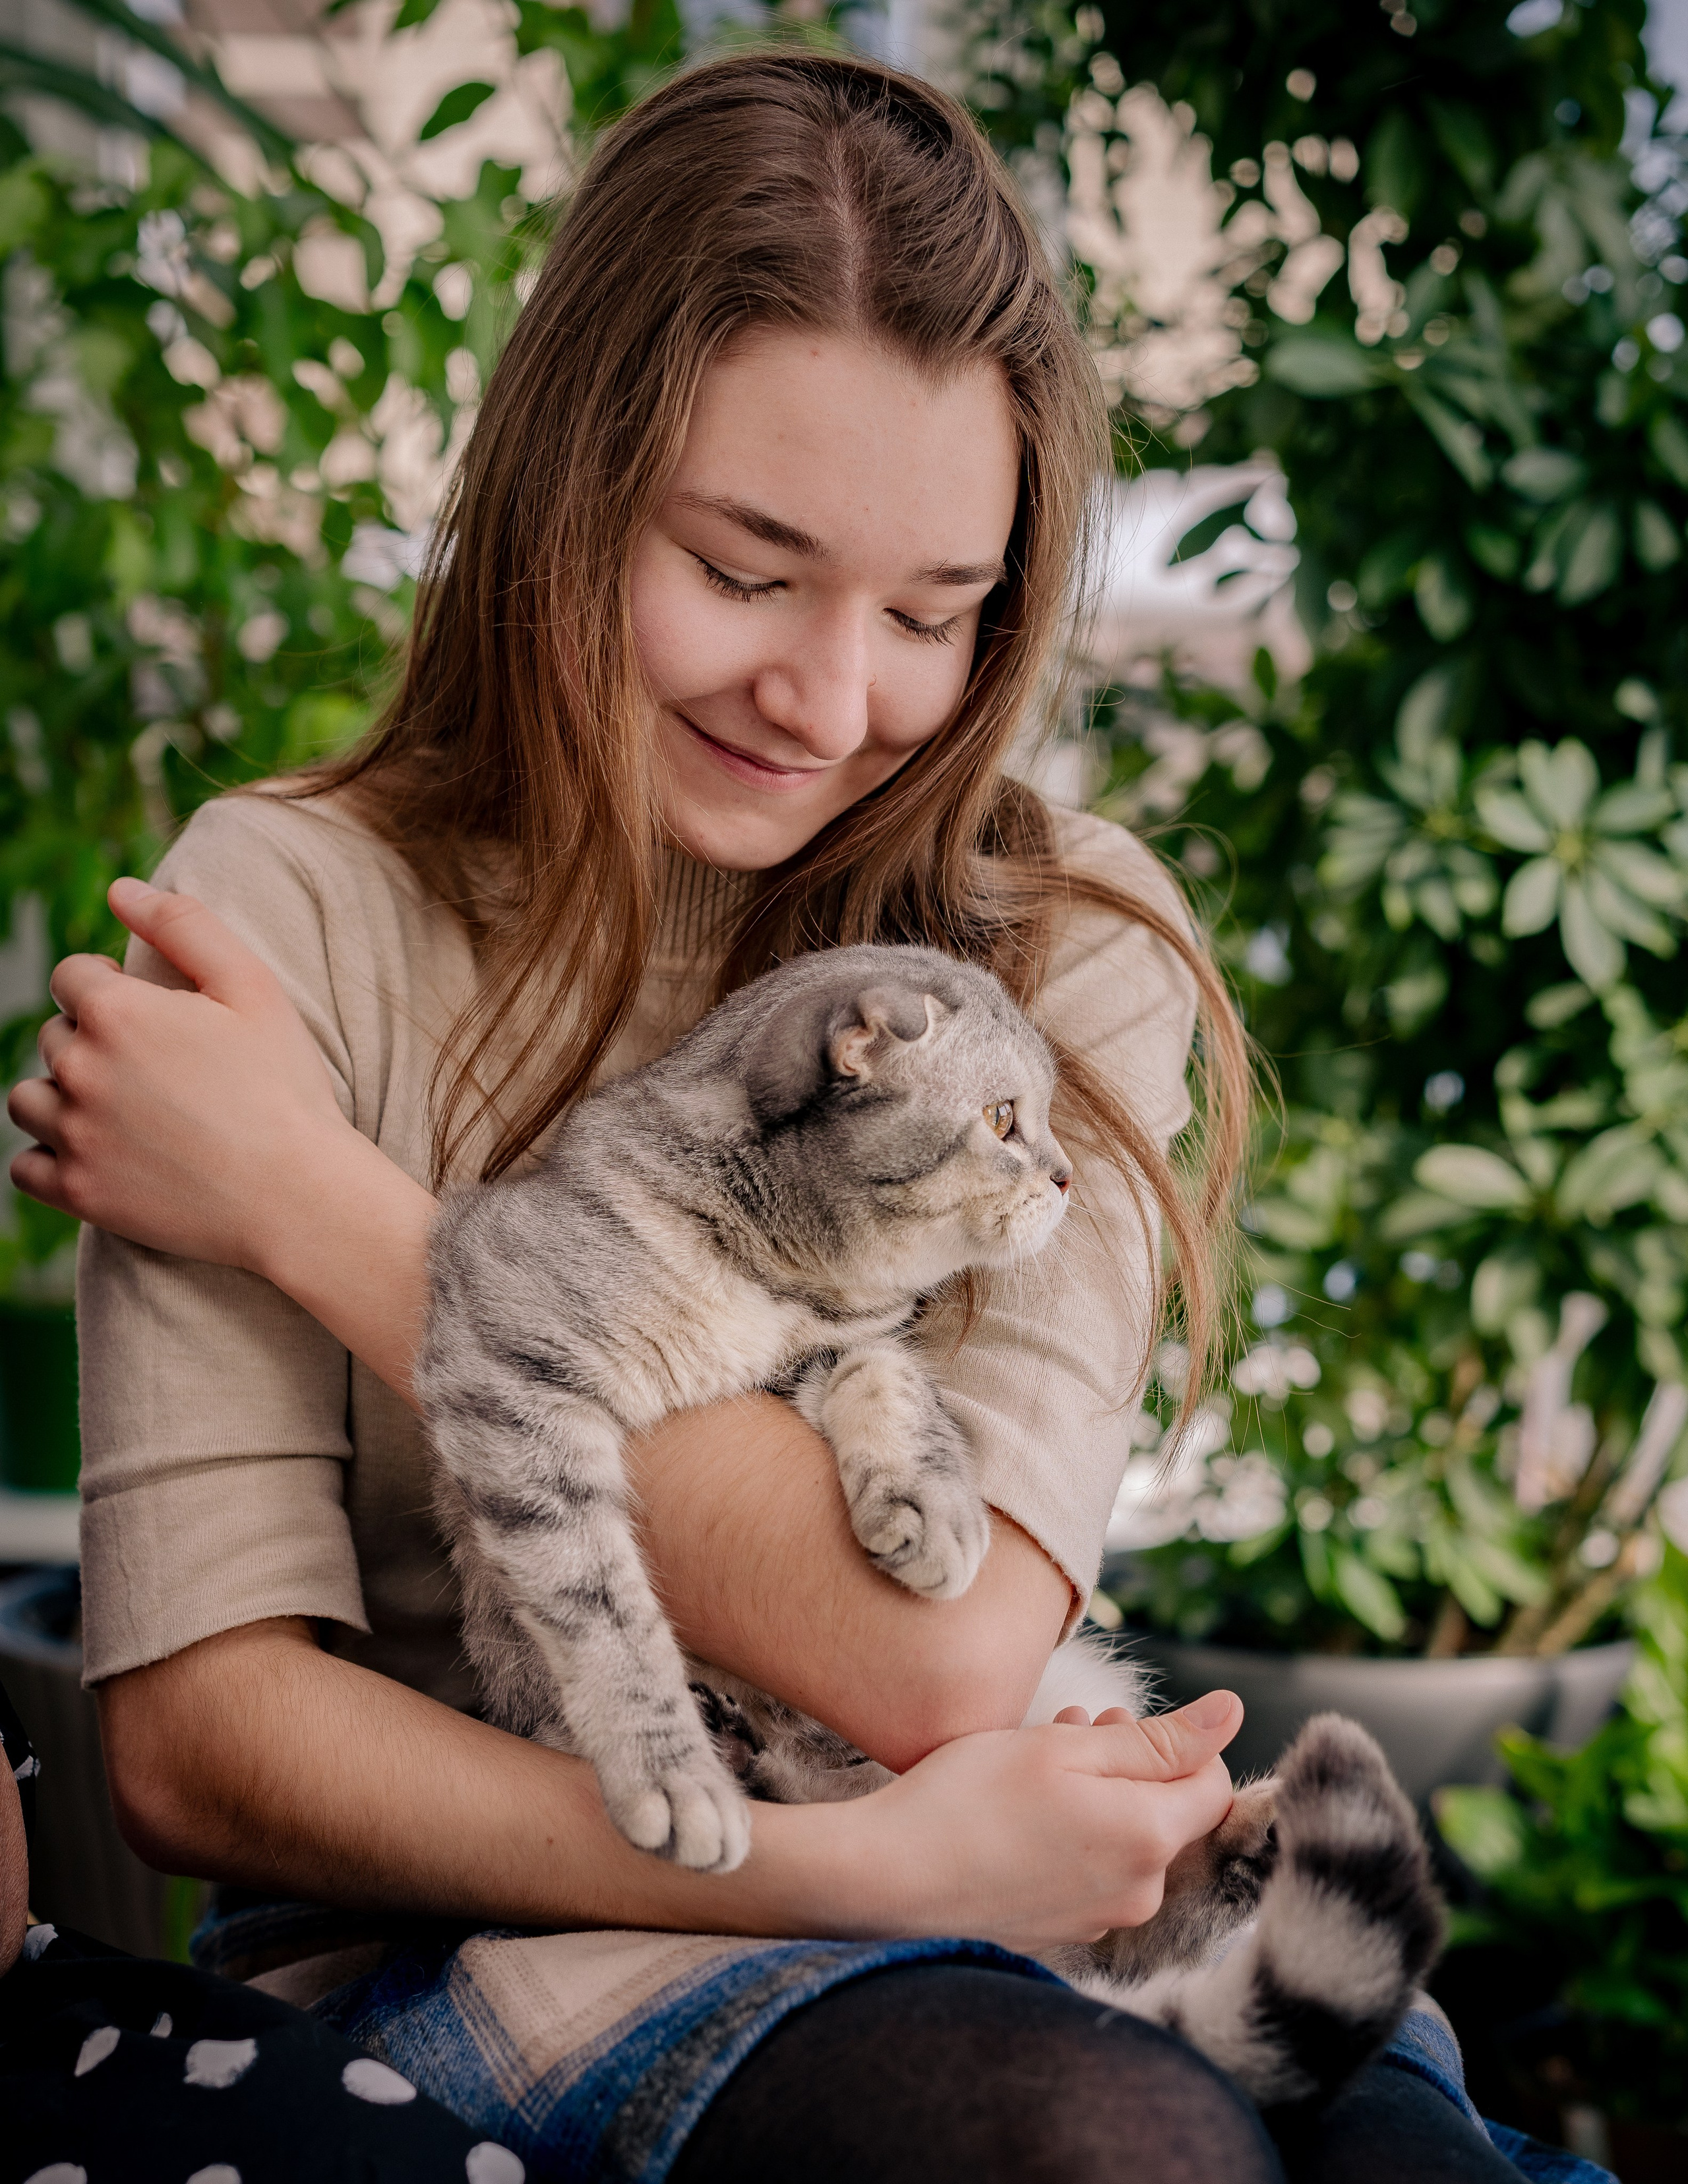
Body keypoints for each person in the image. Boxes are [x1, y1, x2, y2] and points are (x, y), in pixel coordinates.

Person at [12, 50, 1555, 2184]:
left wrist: (313, 1200)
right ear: (563, 488)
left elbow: (934, 1661)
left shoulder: (1060, 942)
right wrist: (840, 1872)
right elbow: (200, 1746)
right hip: (484, 1925)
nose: (834, 703)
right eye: (745, 571)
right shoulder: (284, 912)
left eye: (932, 615)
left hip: (1013, 1844)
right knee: (1102, 2151)